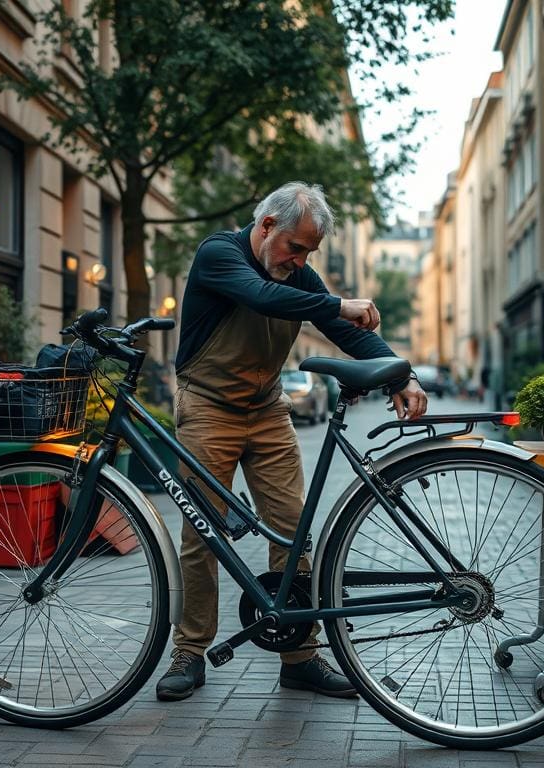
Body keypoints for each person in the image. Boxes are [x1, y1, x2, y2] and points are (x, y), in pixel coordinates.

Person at [156, 182, 428, 702]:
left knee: (290, 531)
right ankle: (190, 653)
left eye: (308, 252)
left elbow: (344, 330)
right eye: (294, 247)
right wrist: (337, 302)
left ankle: (299, 657)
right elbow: (263, 296)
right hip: (208, 408)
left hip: (266, 409)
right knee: (203, 535)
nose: (299, 260)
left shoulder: (297, 274)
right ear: (266, 228)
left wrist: (402, 376)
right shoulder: (219, 254)